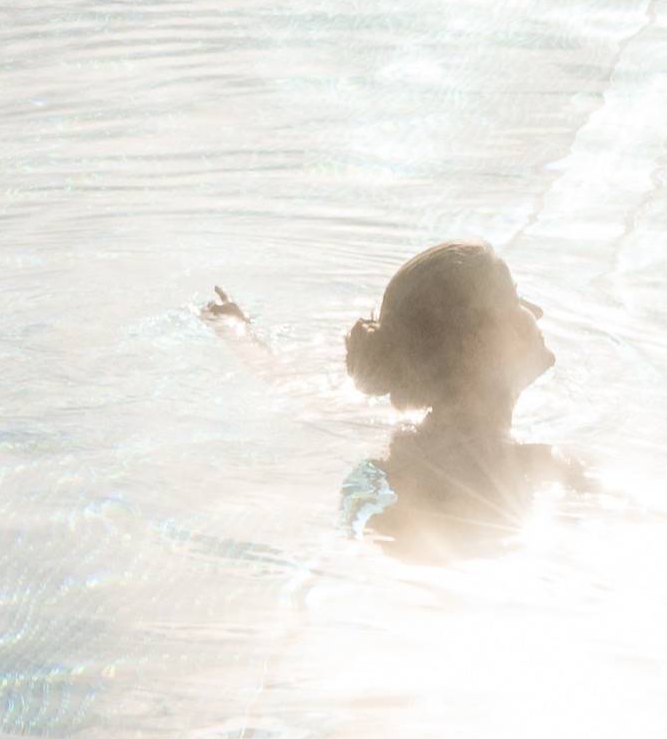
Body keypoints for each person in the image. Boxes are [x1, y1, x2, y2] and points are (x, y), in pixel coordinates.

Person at [208, 240, 580, 560]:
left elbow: (293, 387)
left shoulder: (395, 446)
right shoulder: (550, 469)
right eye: (514, 299)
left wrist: (238, 332)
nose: (537, 311)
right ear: (480, 342)